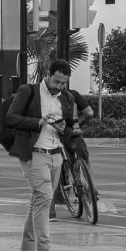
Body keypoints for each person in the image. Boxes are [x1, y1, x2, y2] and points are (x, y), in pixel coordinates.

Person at [5, 59, 77, 251]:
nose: (60, 87)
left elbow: (71, 128)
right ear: (48, 75)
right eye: (56, 81)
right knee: (45, 199)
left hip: (57, 154)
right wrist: (38, 122)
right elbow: (11, 117)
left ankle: (28, 250)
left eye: (63, 83)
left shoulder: (67, 98)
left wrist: (65, 128)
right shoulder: (29, 91)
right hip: (34, 153)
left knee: (39, 200)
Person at [49, 88, 95, 220]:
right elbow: (89, 113)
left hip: (57, 134)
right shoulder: (74, 94)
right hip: (75, 132)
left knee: (54, 169)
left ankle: (51, 212)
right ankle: (90, 188)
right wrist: (80, 123)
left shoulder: (46, 96)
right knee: (82, 160)